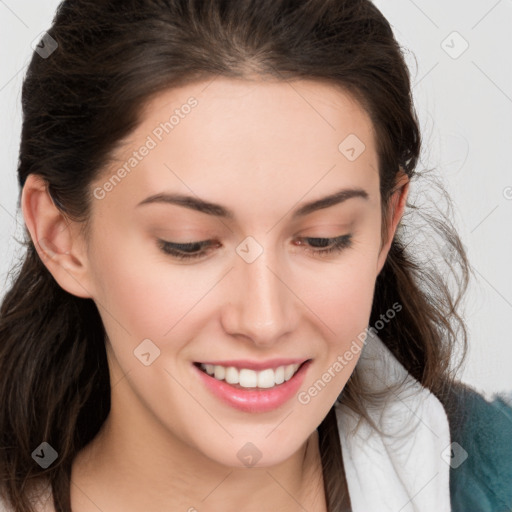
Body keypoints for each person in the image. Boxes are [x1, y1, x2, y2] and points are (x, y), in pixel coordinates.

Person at [0, 1, 511, 511]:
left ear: (385, 224)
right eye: (189, 243)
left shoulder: (492, 476)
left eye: (323, 238)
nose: (265, 321)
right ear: (60, 237)